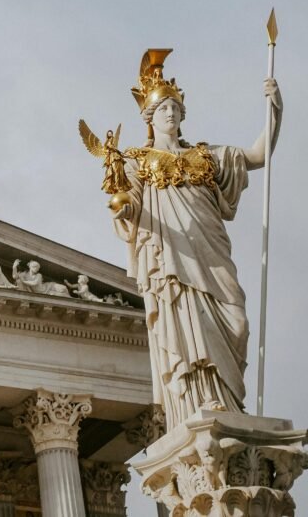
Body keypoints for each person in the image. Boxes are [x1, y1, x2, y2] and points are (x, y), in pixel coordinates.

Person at [109, 49, 282, 429]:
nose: (170, 114)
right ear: (150, 118)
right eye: (163, 109)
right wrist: (123, 209)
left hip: (212, 251)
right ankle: (200, 401)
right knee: (189, 326)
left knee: (236, 321)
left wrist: (275, 109)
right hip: (172, 256)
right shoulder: (139, 161)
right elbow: (128, 204)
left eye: (175, 108)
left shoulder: (207, 155)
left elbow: (258, 154)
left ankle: (229, 400)